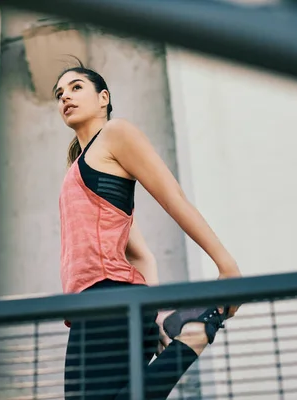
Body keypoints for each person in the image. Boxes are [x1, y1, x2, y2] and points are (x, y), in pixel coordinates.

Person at [55, 59, 241, 400]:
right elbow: (138, 252)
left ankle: (198, 332)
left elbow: (174, 198)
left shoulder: (116, 134)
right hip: (100, 305)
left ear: (103, 98)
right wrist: (155, 316)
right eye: (59, 93)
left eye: (76, 87)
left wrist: (226, 267)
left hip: (110, 299)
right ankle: (195, 334)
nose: (65, 96)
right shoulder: (77, 169)